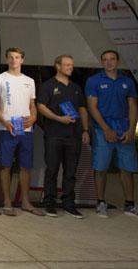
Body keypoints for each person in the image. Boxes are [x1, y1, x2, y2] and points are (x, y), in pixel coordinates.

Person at [86, 50, 138, 220]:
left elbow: (133, 106)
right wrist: (106, 129)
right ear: (101, 62)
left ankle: (130, 204)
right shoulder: (94, 81)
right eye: (105, 60)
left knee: (127, 167)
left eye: (112, 59)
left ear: (117, 61)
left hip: (123, 128)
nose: (109, 62)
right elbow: (92, 107)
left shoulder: (127, 82)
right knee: (101, 167)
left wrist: (131, 129)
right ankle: (100, 202)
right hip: (103, 129)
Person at [37, 55, 90, 219]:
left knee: (71, 171)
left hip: (73, 136)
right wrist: (59, 118)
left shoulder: (76, 87)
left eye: (72, 65)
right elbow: (41, 106)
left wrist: (85, 130)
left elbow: (82, 109)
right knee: (52, 169)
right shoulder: (48, 86)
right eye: (67, 65)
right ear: (58, 66)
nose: (70, 67)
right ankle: (50, 203)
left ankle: (68, 203)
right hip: (54, 134)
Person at [0, 47, 42, 216]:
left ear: (22, 60)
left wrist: (34, 117)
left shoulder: (30, 81)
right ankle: (7, 200)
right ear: (7, 59)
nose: (14, 60)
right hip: (7, 128)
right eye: (11, 57)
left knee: (25, 166)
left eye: (18, 57)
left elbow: (32, 105)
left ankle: (25, 201)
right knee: (5, 166)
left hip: (26, 129)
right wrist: (4, 121)